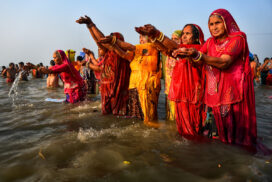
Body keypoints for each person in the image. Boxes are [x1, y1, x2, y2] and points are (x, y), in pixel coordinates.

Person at [173, 9, 257, 148]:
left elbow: (225, 62)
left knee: (234, 137)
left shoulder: (238, 38)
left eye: (218, 23)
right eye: (211, 24)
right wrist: (187, 53)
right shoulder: (211, 42)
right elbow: (198, 57)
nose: (214, 27)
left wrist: (196, 55)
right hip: (214, 94)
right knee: (213, 138)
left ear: (226, 23)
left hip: (233, 94)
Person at [136, 24, 205, 135]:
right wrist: (153, 38)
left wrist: (157, 34)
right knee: (182, 129)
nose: (184, 36)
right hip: (180, 94)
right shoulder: (181, 51)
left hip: (193, 96)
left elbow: (176, 48)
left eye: (188, 34)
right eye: (183, 34)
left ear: (197, 37)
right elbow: (166, 51)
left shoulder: (198, 49)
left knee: (193, 129)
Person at [99, 29, 162, 126]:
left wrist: (114, 41)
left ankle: (152, 134)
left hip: (146, 87)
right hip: (134, 87)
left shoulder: (152, 47)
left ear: (151, 38)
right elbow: (124, 55)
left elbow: (131, 47)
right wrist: (114, 46)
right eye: (140, 37)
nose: (141, 39)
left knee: (148, 117)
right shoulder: (137, 52)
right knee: (136, 117)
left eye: (144, 36)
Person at [76, 15, 130, 115]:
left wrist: (91, 24)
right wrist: (89, 26)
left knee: (117, 116)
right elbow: (98, 41)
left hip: (116, 90)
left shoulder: (120, 52)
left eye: (111, 39)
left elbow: (101, 39)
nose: (107, 40)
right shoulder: (108, 54)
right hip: (106, 89)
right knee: (106, 115)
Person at [165, 30, 181, 121]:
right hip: (168, 88)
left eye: (176, 39)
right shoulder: (169, 53)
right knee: (169, 116)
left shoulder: (181, 53)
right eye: (172, 39)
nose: (173, 41)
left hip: (177, 89)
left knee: (176, 116)